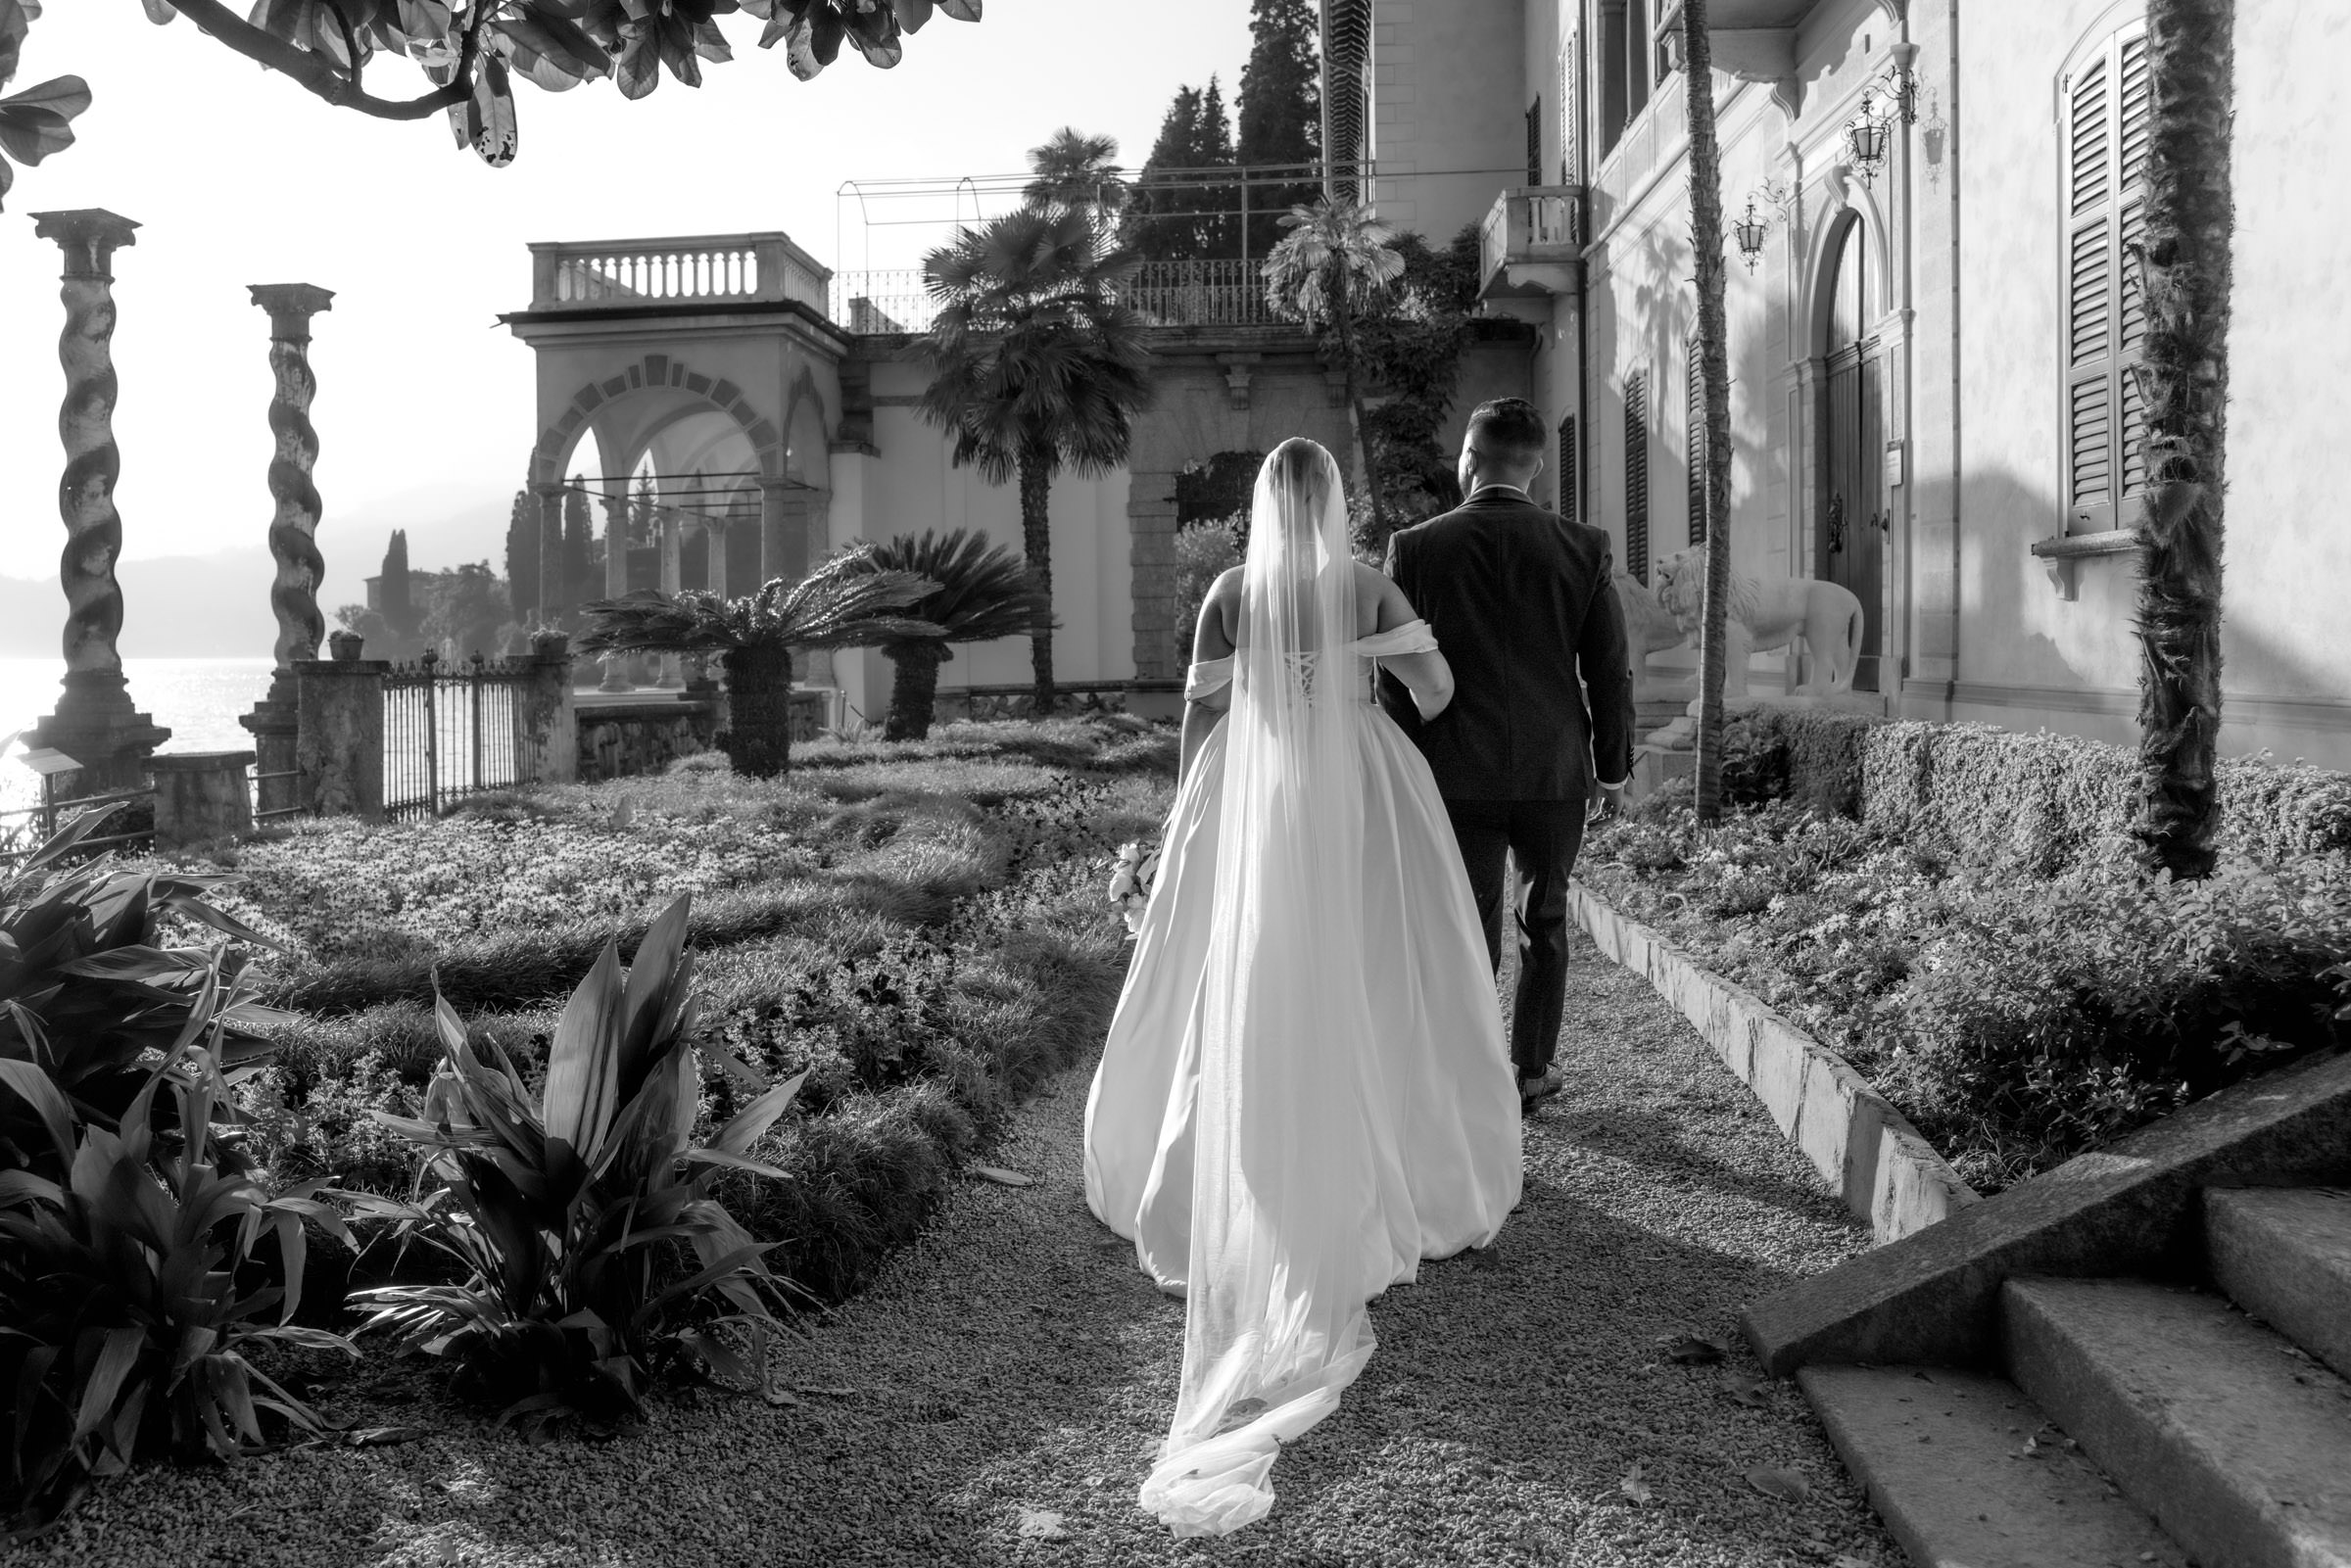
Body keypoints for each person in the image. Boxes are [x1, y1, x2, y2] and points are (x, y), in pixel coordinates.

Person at [1082, 439, 1521, 1537]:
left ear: (1259, 509)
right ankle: (1383, 1156)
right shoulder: (1366, 581)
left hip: (1255, 787)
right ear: (1330, 506)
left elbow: (1200, 715)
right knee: (1378, 965)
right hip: (1358, 790)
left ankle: (1242, 1175)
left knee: (1247, 969)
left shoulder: (1231, 591)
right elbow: (1437, 686)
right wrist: (1365, 689)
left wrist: (1197, 812)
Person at [1378, 397, 1636, 1110]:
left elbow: (1393, 676)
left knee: (1465, 924)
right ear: (1538, 467)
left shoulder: (1415, 547)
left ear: (1468, 458)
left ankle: (1466, 1073)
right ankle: (1530, 1070)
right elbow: (1608, 669)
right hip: (1554, 771)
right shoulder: (1583, 546)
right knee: (1544, 920)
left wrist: (1402, 768)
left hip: (1453, 774)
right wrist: (1612, 768)